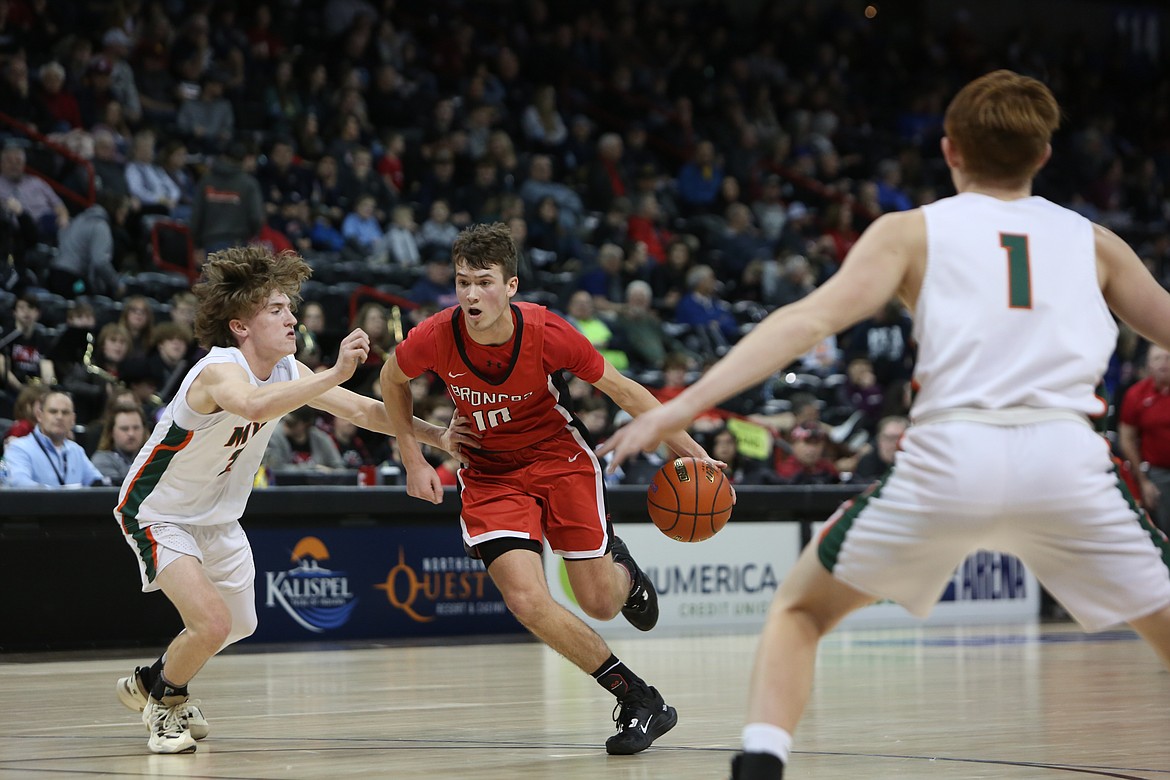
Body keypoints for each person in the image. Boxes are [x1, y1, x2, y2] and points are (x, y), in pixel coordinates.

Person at [597, 70, 1170, 779]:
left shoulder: (912, 230)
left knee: (800, 613)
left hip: (952, 455)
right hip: (1067, 457)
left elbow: (806, 319)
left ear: (950, 149)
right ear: (1045, 155)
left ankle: (764, 760)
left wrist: (682, 406)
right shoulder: (1096, 242)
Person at [112, 245, 475, 755]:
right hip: (157, 511)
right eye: (276, 309)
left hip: (217, 517)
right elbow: (253, 404)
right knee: (211, 622)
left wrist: (439, 437)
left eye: (290, 307)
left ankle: (154, 680)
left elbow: (367, 413)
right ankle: (165, 705)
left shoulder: (288, 371)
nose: (292, 317)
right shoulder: (218, 370)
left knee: (239, 624)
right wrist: (332, 374)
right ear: (241, 326)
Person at [379, 222, 719, 755]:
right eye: (463, 281)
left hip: (559, 459)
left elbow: (625, 391)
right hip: (489, 471)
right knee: (526, 599)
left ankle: (623, 575)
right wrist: (413, 456)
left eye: (484, 282)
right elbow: (391, 378)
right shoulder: (435, 334)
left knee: (600, 603)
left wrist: (692, 451)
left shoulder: (548, 331)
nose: (471, 294)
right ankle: (637, 698)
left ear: (510, 287)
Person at [2, 390, 109, 488]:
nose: (59, 417)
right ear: (40, 416)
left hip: (76, 509)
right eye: (53, 411)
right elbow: (20, 484)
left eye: (65, 412)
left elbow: (98, 483)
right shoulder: (19, 448)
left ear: (73, 419)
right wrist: (63, 493)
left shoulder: (76, 450)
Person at [1119, 344, 1170, 535]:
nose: (1163, 363)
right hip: (1158, 474)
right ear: (1148, 365)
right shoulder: (1136, 394)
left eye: (1168, 357)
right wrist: (1143, 481)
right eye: (1157, 358)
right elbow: (1127, 439)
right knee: (1163, 529)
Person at [91, 403, 150, 484]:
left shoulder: (154, 458)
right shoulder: (102, 460)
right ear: (111, 432)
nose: (131, 434)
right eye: (124, 429)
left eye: (136, 428)